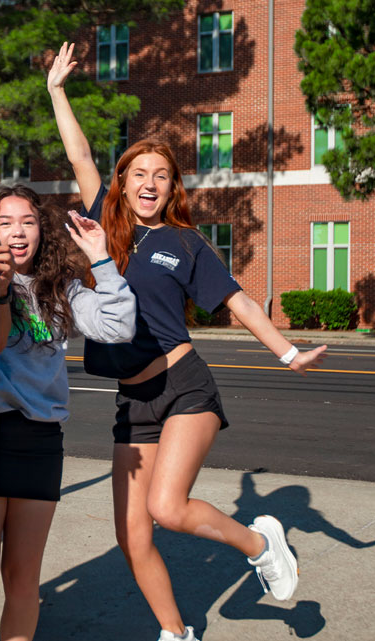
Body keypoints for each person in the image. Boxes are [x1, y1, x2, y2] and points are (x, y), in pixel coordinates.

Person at [47, 42, 328, 641]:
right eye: (138, 174)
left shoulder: (187, 244)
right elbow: (77, 154)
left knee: (167, 509)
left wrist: (287, 353)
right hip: (133, 401)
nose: (149, 183)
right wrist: (56, 90)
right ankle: (177, 633)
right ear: (121, 182)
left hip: (183, 387)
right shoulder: (105, 220)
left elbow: (241, 302)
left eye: (162, 176)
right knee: (133, 537)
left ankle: (260, 542)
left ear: (173, 187)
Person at [0, 185, 136, 641]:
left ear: (42, 231)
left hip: (39, 442)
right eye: (5, 222)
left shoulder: (61, 288)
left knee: (22, 581)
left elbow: (119, 324)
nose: (17, 232)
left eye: (27, 222)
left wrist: (100, 256)